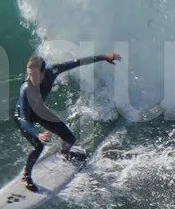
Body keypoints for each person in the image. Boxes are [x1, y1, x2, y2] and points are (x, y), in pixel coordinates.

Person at [15, 51, 120, 188]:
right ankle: (26, 174)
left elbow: (76, 62)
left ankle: (65, 153)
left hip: (39, 111)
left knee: (70, 139)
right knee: (39, 146)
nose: (31, 78)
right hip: (24, 115)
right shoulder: (26, 88)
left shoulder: (52, 71)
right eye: (29, 74)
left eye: (34, 74)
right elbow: (24, 120)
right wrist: (37, 134)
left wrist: (104, 57)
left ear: (43, 72)